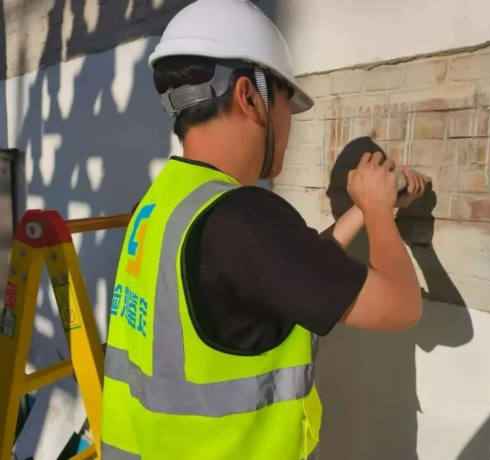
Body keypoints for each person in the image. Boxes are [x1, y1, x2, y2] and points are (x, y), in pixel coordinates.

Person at [101, 1, 425, 459]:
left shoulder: (161, 203)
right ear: (249, 97)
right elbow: (401, 307)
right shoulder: (242, 217)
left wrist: (364, 211)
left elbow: (283, 271)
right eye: (287, 105)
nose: (289, 125)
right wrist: (376, 210)